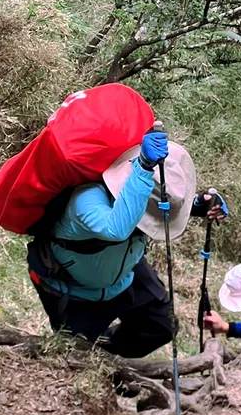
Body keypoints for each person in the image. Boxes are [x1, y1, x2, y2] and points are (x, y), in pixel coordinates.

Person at [27, 128, 228, 358]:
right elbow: (117, 228)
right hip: (73, 289)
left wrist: (193, 205)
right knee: (75, 356)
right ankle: (93, 353)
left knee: (160, 327)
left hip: (125, 274)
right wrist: (143, 166)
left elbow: (149, 206)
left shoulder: (138, 198)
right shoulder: (87, 199)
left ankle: (106, 351)